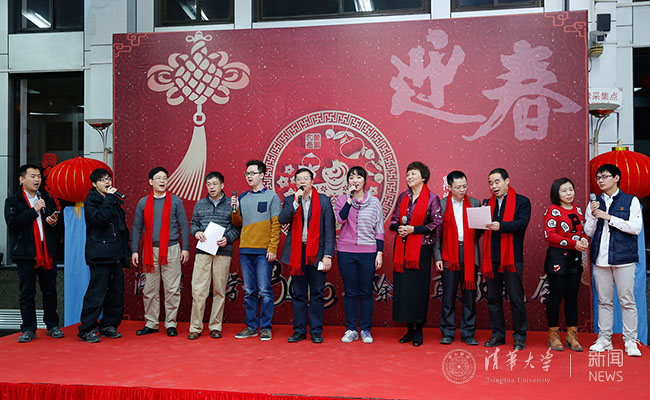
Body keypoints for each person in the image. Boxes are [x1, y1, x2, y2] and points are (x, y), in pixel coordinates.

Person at [584, 164, 643, 357]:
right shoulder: (594, 203)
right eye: (598, 178)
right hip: (600, 259)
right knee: (604, 301)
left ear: (616, 178)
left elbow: (636, 228)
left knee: (627, 301)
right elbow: (588, 231)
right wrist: (594, 216)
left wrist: (610, 217)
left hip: (624, 259)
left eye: (605, 176)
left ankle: (631, 341)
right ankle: (604, 339)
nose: (601, 180)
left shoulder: (631, 200)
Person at [4, 164, 62, 343]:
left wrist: (53, 222)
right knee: (27, 293)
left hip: (46, 252)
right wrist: (33, 210)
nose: (37, 180)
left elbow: (57, 227)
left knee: (50, 291)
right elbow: (13, 224)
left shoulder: (47, 199)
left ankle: (52, 325)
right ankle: (29, 328)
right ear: (22, 179)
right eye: (33, 176)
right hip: (26, 253)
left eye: (39, 176)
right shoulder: (13, 201)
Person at [131, 167, 190, 337]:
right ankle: (151, 323)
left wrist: (185, 248)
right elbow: (137, 228)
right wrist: (134, 250)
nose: (163, 181)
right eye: (158, 178)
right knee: (150, 289)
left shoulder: (175, 201)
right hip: (150, 251)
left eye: (165, 178)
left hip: (171, 249)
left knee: (172, 289)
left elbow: (183, 225)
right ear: (151, 181)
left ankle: (171, 323)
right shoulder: (143, 202)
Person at [279, 168, 335, 344]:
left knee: (317, 293)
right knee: (298, 293)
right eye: (298, 179)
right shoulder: (290, 200)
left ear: (312, 181)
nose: (302, 182)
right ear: (295, 182)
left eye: (305, 178)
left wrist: (328, 255)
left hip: (317, 252)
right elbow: (282, 219)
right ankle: (299, 330)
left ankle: (316, 331)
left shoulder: (324, 201)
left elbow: (329, 230)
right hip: (297, 253)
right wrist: (295, 203)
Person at [390, 161, 442, 346]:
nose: (409, 177)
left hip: (421, 250)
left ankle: (419, 329)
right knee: (404, 291)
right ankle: (409, 330)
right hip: (402, 249)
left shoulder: (432, 198)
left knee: (418, 291)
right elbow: (394, 220)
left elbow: (436, 223)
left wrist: (414, 230)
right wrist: (400, 228)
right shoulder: (403, 197)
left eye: (413, 173)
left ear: (423, 177)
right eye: (408, 174)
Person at [77, 168, 131, 343]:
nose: (107, 182)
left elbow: (121, 227)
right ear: (94, 184)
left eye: (108, 178)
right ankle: (87, 329)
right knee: (97, 292)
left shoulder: (113, 200)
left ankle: (109, 325)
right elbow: (99, 220)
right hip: (100, 254)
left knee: (116, 292)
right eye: (102, 180)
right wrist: (109, 199)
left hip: (116, 253)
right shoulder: (91, 201)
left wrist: (125, 252)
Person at [231, 160, 281, 341]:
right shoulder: (242, 197)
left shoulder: (272, 197)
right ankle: (251, 326)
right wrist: (235, 210)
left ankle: (266, 327)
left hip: (264, 251)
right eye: (247, 174)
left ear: (262, 175)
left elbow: (276, 225)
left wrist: (272, 247)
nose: (249, 176)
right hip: (245, 250)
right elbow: (237, 223)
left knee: (265, 291)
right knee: (249, 291)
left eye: (252, 173)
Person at [188, 171, 241, 340]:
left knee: (219, 290)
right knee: (199, 290)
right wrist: (196, 232)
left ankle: (215, 326)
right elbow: (194, 224)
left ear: (222, 185)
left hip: (223, 251)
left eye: (215, 184)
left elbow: (237, 227)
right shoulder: (200, 204)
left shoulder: (231, 204)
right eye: (209, 184)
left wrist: (228, 238)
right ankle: (195, 327)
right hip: (203, 250)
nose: (211, 187)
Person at [483, 168, 531, 350]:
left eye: (497, 181)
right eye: (490, 183)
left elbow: (521, 224)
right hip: (492, 258)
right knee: (493, 299)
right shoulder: (487, 203)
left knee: (516, 299)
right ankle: (498, 335)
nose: (493, 186)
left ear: (507, 181)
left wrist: (500, 226)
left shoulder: (522, 201)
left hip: (512, 258)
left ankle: (519, 336)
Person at [335, 166, 384, 344]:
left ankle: (365, 330)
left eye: (358, 177)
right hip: (346, 252)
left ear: (365, 180)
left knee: (365, 292)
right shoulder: (341, 200)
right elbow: (340, 219)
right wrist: (349, 200)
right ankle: (350, 330)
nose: (355, 180)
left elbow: (379, 229)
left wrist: (379, 253)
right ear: (347, 181)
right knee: (350, 292)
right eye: (352, 177)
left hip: (368, 252)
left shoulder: (374, 202)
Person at [434, 170, 481, 346]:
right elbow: (437, 234)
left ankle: (468, 332)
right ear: (449, 187)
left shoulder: (475, 203)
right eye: (458, 187)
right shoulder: (441, 204)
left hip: (469, 253)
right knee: (448, 296)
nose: (462, 190)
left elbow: (480, 231)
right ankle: (447, 331)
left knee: (469, 295)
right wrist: (437, 256)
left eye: (464, 186)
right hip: (449, 254)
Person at [543, 178, 589, 352]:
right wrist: (573, 243)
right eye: (564, 190)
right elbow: (549, 235)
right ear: (556, 193)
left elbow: (581, 231)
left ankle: (572, 335)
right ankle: (553, 335)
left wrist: (583, 241)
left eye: (571, 189)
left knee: (572, 297)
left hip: (575, 259)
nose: (569, 193)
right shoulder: (552, 210)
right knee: (555, 297)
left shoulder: (578, 209)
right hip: (557, 259)